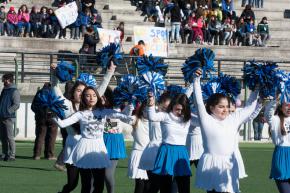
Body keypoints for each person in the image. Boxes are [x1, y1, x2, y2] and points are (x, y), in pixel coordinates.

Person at [52, 61, 116, 193]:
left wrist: (110, 71)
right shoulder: (67, 105)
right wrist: (54, 74)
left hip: (90, 146)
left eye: (84, 91)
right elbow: (55, 89)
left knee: (90, 182)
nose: (81, 94)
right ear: (73, 92)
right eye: (78, 91)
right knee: (72, 183)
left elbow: (101, 88)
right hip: (73, 146)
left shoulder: (91, 107)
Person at [53, 86, 132, 193]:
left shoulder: (104, 112)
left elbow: (124, 117)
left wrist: (131, 105)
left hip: (99, 148)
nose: (91, 98)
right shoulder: (80, 114)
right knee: (86, 184)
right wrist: (54, 113)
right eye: (88, 95)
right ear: (83, 98)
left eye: (94, 95)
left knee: (99, 184)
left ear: (97, 97)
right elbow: (63, 124)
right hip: (84, 148)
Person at [193, 69, 260, 193]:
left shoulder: (233, 119)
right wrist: (196, 80)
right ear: (211, 107)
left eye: (227, 107)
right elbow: (198, 102)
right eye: (221, 107)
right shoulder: (206, 120)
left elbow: (250, 107)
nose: (225, 110)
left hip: (230, 163)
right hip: (211, 164)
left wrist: (257, 88)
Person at [147, 93, 195, 193]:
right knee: (165, 186)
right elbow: (152, 117)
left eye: (182, 110)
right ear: (172, 106)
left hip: (181, 152)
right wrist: (151, 104)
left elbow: (202, 120)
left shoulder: (188, 119)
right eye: (177, 109)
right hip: (166, 151)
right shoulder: (165, 116)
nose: (179, 112)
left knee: (184, 186)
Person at [265, 99, 290, 193]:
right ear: (281, 106)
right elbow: (268, 113)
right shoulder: (275, 119)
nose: (289, 107)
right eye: (287, 104)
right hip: (281, 158)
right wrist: (276, 99)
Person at [31, 83, 58, 160]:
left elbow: (33, 106)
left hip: (40, 117)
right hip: (52, 117)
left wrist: (39, 112)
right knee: (51, 137)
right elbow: (58, 105)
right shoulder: (54, 92)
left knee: (40, 136)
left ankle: (37, 154)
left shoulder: (39, 93)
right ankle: (49, 155)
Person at [0, 73, 20, 161]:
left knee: (9, 136)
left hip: (8, 117)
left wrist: (7, 111)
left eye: (3, 79)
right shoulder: (4, 90)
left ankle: (12, 155)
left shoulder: (14, 91)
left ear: (8, 80)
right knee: (2, 137)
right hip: (1, 116)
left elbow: (16, 105)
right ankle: (5, 154)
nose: (2, 81)